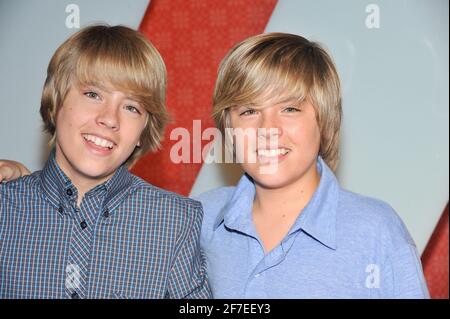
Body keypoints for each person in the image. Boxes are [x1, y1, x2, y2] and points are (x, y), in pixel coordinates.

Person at [1, 32, 429, 299]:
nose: (267, 129)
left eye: (291, 109)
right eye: (247, 111)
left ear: (326, 122)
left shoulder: (376, 230)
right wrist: (22, 183)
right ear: (225, 126)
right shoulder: (198, 219)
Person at [0, 25, 211, 299]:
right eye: (93, 94)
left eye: (131, 107)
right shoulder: (7, 208)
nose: (110, 119)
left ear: (142, 132)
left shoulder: (177, 222)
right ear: (56, 101)